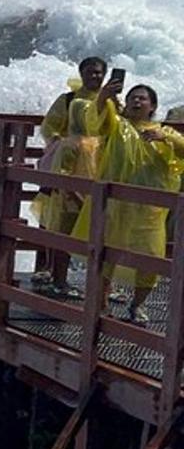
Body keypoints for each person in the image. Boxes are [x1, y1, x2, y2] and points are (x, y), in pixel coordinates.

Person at [71, 82, 184, 322]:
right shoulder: (116, 126)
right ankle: (100, 303)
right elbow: (95, 120)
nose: (136, 101)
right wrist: (104, 96)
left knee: (151, 257)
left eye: (142, 98)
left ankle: (137, 305)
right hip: (116, 204)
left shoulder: (165, 132)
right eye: (132, 97)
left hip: (149, 210)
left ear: (152, 106)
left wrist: (165, 138)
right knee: (106, 255)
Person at [31, 57, 108, 297]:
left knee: (103, 230)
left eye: (98, 73)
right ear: (82, 73)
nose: (95, 76)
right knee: (60, 222)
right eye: (90, 72)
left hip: (99, 165)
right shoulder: (69, 100)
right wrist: (60, 144)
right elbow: (49, 127)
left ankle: (103, 287)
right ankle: (52, 274)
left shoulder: (110, 102)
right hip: (70, 161)